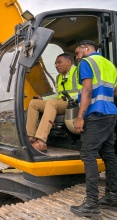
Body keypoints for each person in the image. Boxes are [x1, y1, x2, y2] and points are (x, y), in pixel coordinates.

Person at [70, 40, 117, 217]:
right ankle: (112, 196)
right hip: (110, 114)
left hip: (96, 115)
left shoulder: (87, 62)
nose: (78, 56)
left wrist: (80, 116)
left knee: (88, 154)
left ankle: (91, 204)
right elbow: (115, 92)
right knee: (109, 154)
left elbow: (87, 91)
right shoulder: (110, 65)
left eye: (78, 52)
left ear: (86, 48)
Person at [26, 53, 80, 152]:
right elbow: (57, 94)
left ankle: (41, 141)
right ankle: (31, 137)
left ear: (69, 62)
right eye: (55, 63)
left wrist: (66, 98)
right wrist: (42, 99)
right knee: (34, 103)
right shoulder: (59, 77)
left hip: (74, 103)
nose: (56, 65)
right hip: (61, 102)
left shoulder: (78, 71)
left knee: (51, 102)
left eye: (59, 62)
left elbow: (85, 90)